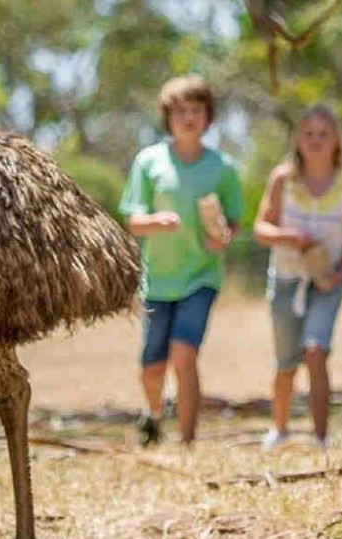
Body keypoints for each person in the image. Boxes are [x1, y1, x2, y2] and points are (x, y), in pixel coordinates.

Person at [120, 75, 242, 446]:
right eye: (181, 111)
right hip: (157, 280)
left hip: (201, 276)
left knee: (184, 355)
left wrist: (222, 237)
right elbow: (133, 221)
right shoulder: (148, 161)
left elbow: (233, 221)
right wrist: (155, 222)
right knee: (152, 368)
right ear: (168, 117)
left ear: (208, 116)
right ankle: (154, 415)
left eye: (196, 110)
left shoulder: (222, 167)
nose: (188, 118)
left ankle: (188, 442)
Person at [253, 104, 342, 450]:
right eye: (308, 133)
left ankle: (320, 437)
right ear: (297, 139)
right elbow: (261, 228)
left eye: (323, 133)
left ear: (337, 141)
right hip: (286, 279)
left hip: (327, 283)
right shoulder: (282, 179)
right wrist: (288, 238)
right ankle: (279, 430)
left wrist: (339, 274)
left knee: (316, 351)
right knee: (286, 362)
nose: (315, 140)